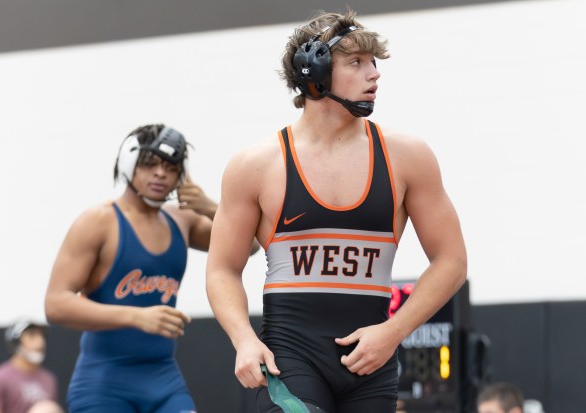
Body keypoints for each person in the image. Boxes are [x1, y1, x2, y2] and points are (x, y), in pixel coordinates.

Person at [206, 9, 467, 413]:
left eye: (374, 63)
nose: (374, 74)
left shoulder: (407, 158)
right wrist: (242, 338)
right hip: (289, 360)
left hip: (371, 363)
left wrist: (393, 332)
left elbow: (451, 260)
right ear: (315, 71)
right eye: (357, 63)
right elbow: (222, 267)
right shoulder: (257, 165)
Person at [45, 124, 254, 413]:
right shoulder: (98, 222)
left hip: (163, 379)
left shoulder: (181, 220)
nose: (160, 173)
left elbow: (250, 244)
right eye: (150, 164)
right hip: (104, 382)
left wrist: (208, 206)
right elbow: (55, 305)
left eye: (170, 167)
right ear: (129, 163)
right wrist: (136, 316)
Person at [0, 320, 58, 413]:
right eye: (32, 335)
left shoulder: (49, 379)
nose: (40, 342)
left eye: (41, 336)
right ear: (16, 342)